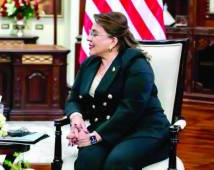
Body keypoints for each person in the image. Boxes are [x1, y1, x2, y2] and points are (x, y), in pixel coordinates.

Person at [65, 12, 170, 170]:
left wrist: (94, 138)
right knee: (88, 161)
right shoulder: (90, 64)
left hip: (143, 130)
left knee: (116, 162)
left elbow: (130, 110)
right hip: (106, 127)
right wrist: (76, 119)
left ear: (113, 41)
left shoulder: (137, 64)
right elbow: (73, 99)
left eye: (94, 34)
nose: (88, 38)